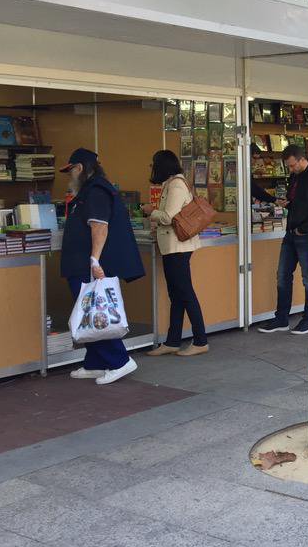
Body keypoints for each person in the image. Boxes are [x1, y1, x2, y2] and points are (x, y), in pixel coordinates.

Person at [59, 148, 144, 385]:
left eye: (71, 170)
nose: (70, 176)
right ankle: (96, 362)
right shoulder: (90, 190)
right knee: (86, 313)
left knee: (96, 313)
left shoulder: (96, 190)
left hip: (89, 265)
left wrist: (94, 260)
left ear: (80, 168)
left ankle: (119, 360)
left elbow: (99, 226)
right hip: (80, 263)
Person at [142, 150, 208, 356]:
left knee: (185, 293)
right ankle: (173, 340)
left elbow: (169, 216)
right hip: (173, 247)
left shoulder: (176, 185)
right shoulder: (172, 183)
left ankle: (200, 340)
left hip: (178, 248)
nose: (152, 168)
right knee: (177, 295)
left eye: (154, 164)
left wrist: (150, 211)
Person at [258, 145, 308, 334]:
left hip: (306, 234)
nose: (291, 169)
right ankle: (281, 318)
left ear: (301, 160)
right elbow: (299, 202)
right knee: (282, 275)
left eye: (292, 165)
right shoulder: (295, 177)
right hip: (291, 231)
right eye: (288, 166)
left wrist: (303, 228)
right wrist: (288, 204)